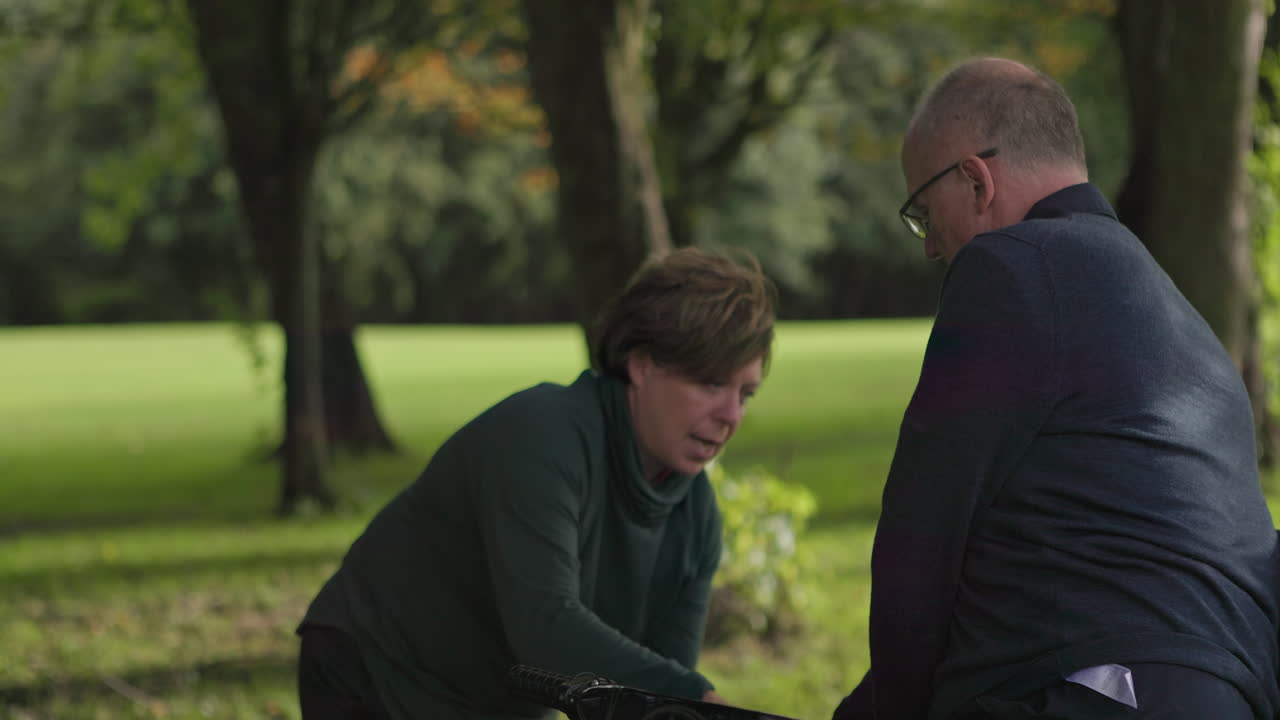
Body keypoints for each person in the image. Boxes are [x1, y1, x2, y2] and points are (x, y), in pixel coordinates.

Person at [834, 57, 1280, 719]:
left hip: (1092, 687)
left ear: (975, 179)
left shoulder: (1010, 266)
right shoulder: (1185, 326)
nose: (930, 248)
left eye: (924, 214)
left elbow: (919, 549)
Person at [296, 247, 775, 719]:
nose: (731, 416)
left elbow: (651, 699)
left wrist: (684, 704)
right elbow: (544, 630)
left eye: (746, 393)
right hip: (374, 668)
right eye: (711, 383)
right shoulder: (544, 435)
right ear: (642, 363)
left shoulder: (697, 518)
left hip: (495, 703)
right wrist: (695, 697)